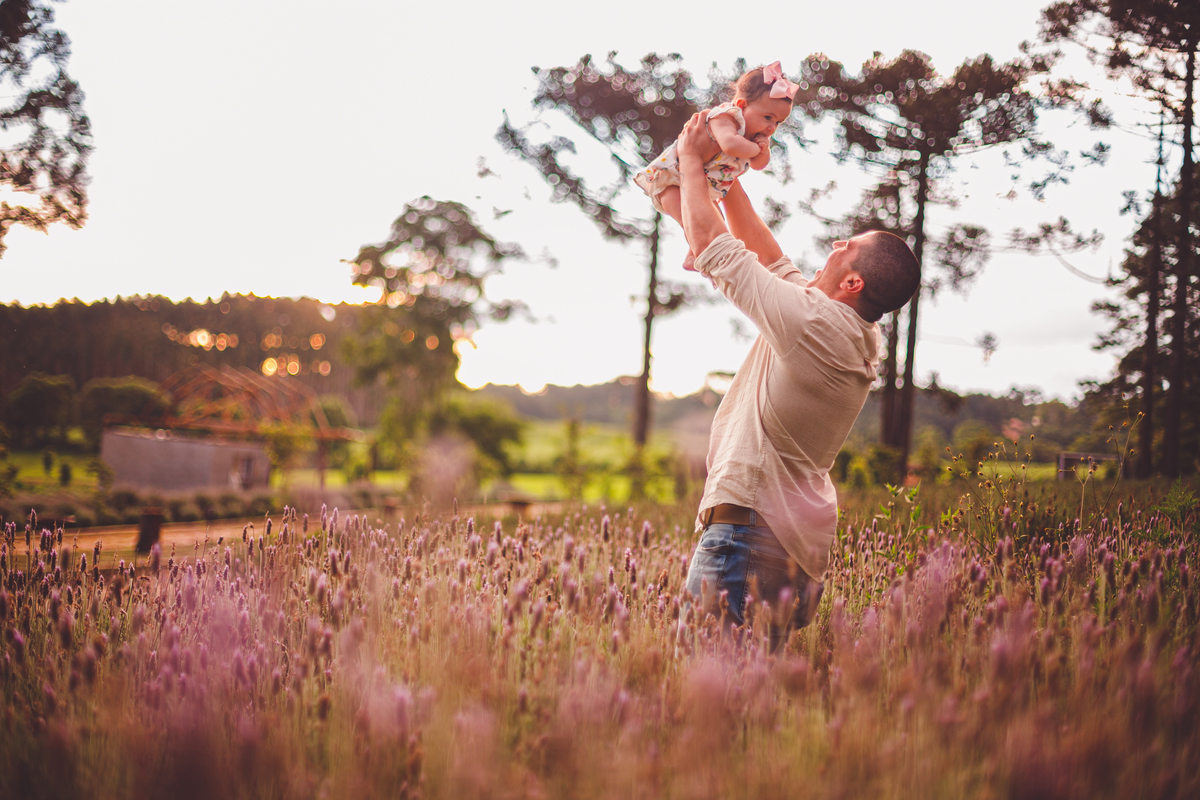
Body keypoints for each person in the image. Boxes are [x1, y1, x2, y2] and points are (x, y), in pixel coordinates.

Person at [673, 110, 921, 650]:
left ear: (852, 281)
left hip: (747, 538)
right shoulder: (841, 327)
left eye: (845, 247)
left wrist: (692, 164)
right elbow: (766, 253)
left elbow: (718, 248)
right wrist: (729, 176)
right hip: (785, 548)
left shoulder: (815, 326)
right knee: (753, 703)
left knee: (704, 699)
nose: (834, 245)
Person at [634, 62, 796, 270]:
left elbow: (758, 165)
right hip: (671, 180)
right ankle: (698, 252)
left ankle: (693, 256)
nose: (771, 127)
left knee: (713, 221)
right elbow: (729, 145)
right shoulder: (726, 117)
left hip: (698, 189)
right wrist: (757, 149)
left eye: (778, 123)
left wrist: (763, 150)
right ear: (743, 105)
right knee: (695, 222)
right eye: (768, 118)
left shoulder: (756, 138)